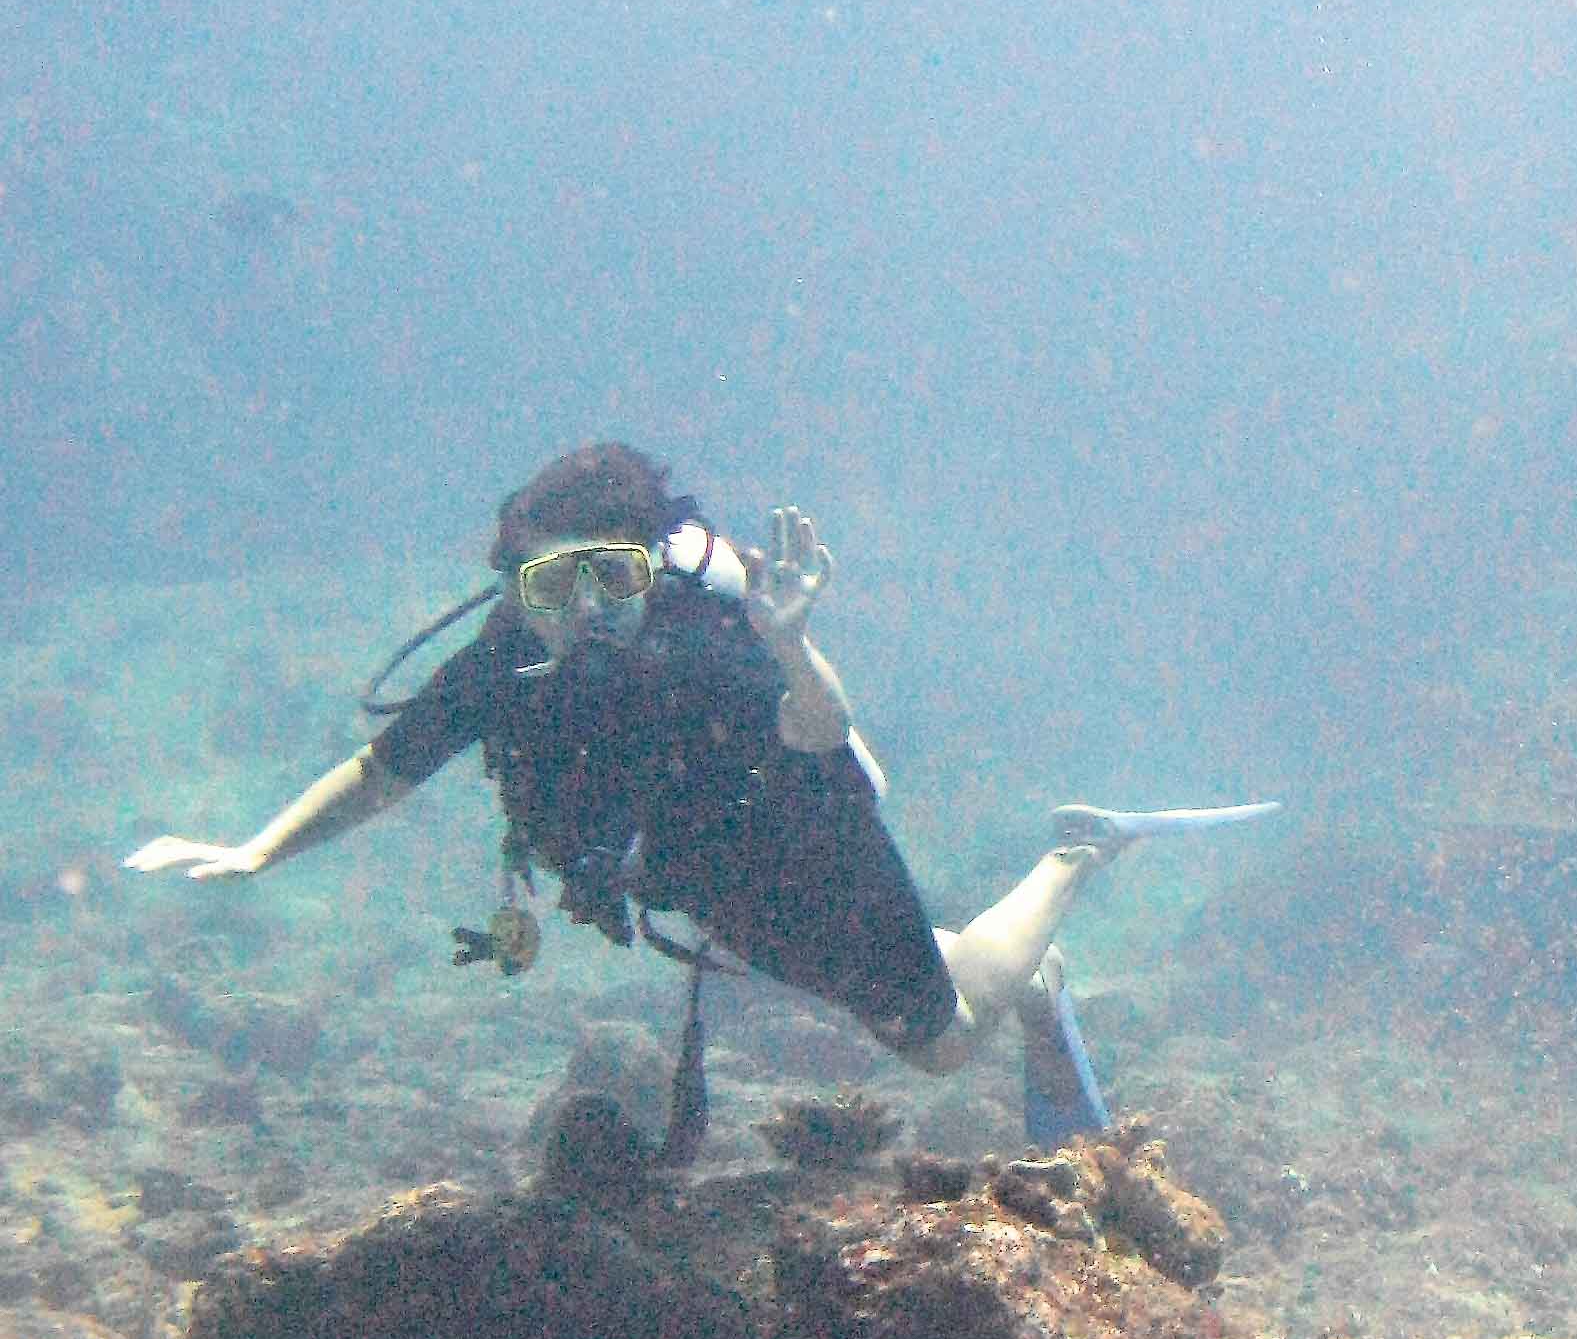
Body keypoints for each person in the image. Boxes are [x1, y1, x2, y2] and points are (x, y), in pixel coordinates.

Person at [127, 441, 1274, 1153]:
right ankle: (1017, 953)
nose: (580, 612)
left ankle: (1074, 858)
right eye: (549, 583)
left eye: (609, 579)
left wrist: (789, 648)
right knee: (925, 1012)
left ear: (649, 570)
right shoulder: (500, 659)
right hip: (700, 880)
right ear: (512, 579)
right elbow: (382, 774)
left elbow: (817, 733)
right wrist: (259, 850)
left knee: (938, 1044)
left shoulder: (698, 650)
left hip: (805, 856)